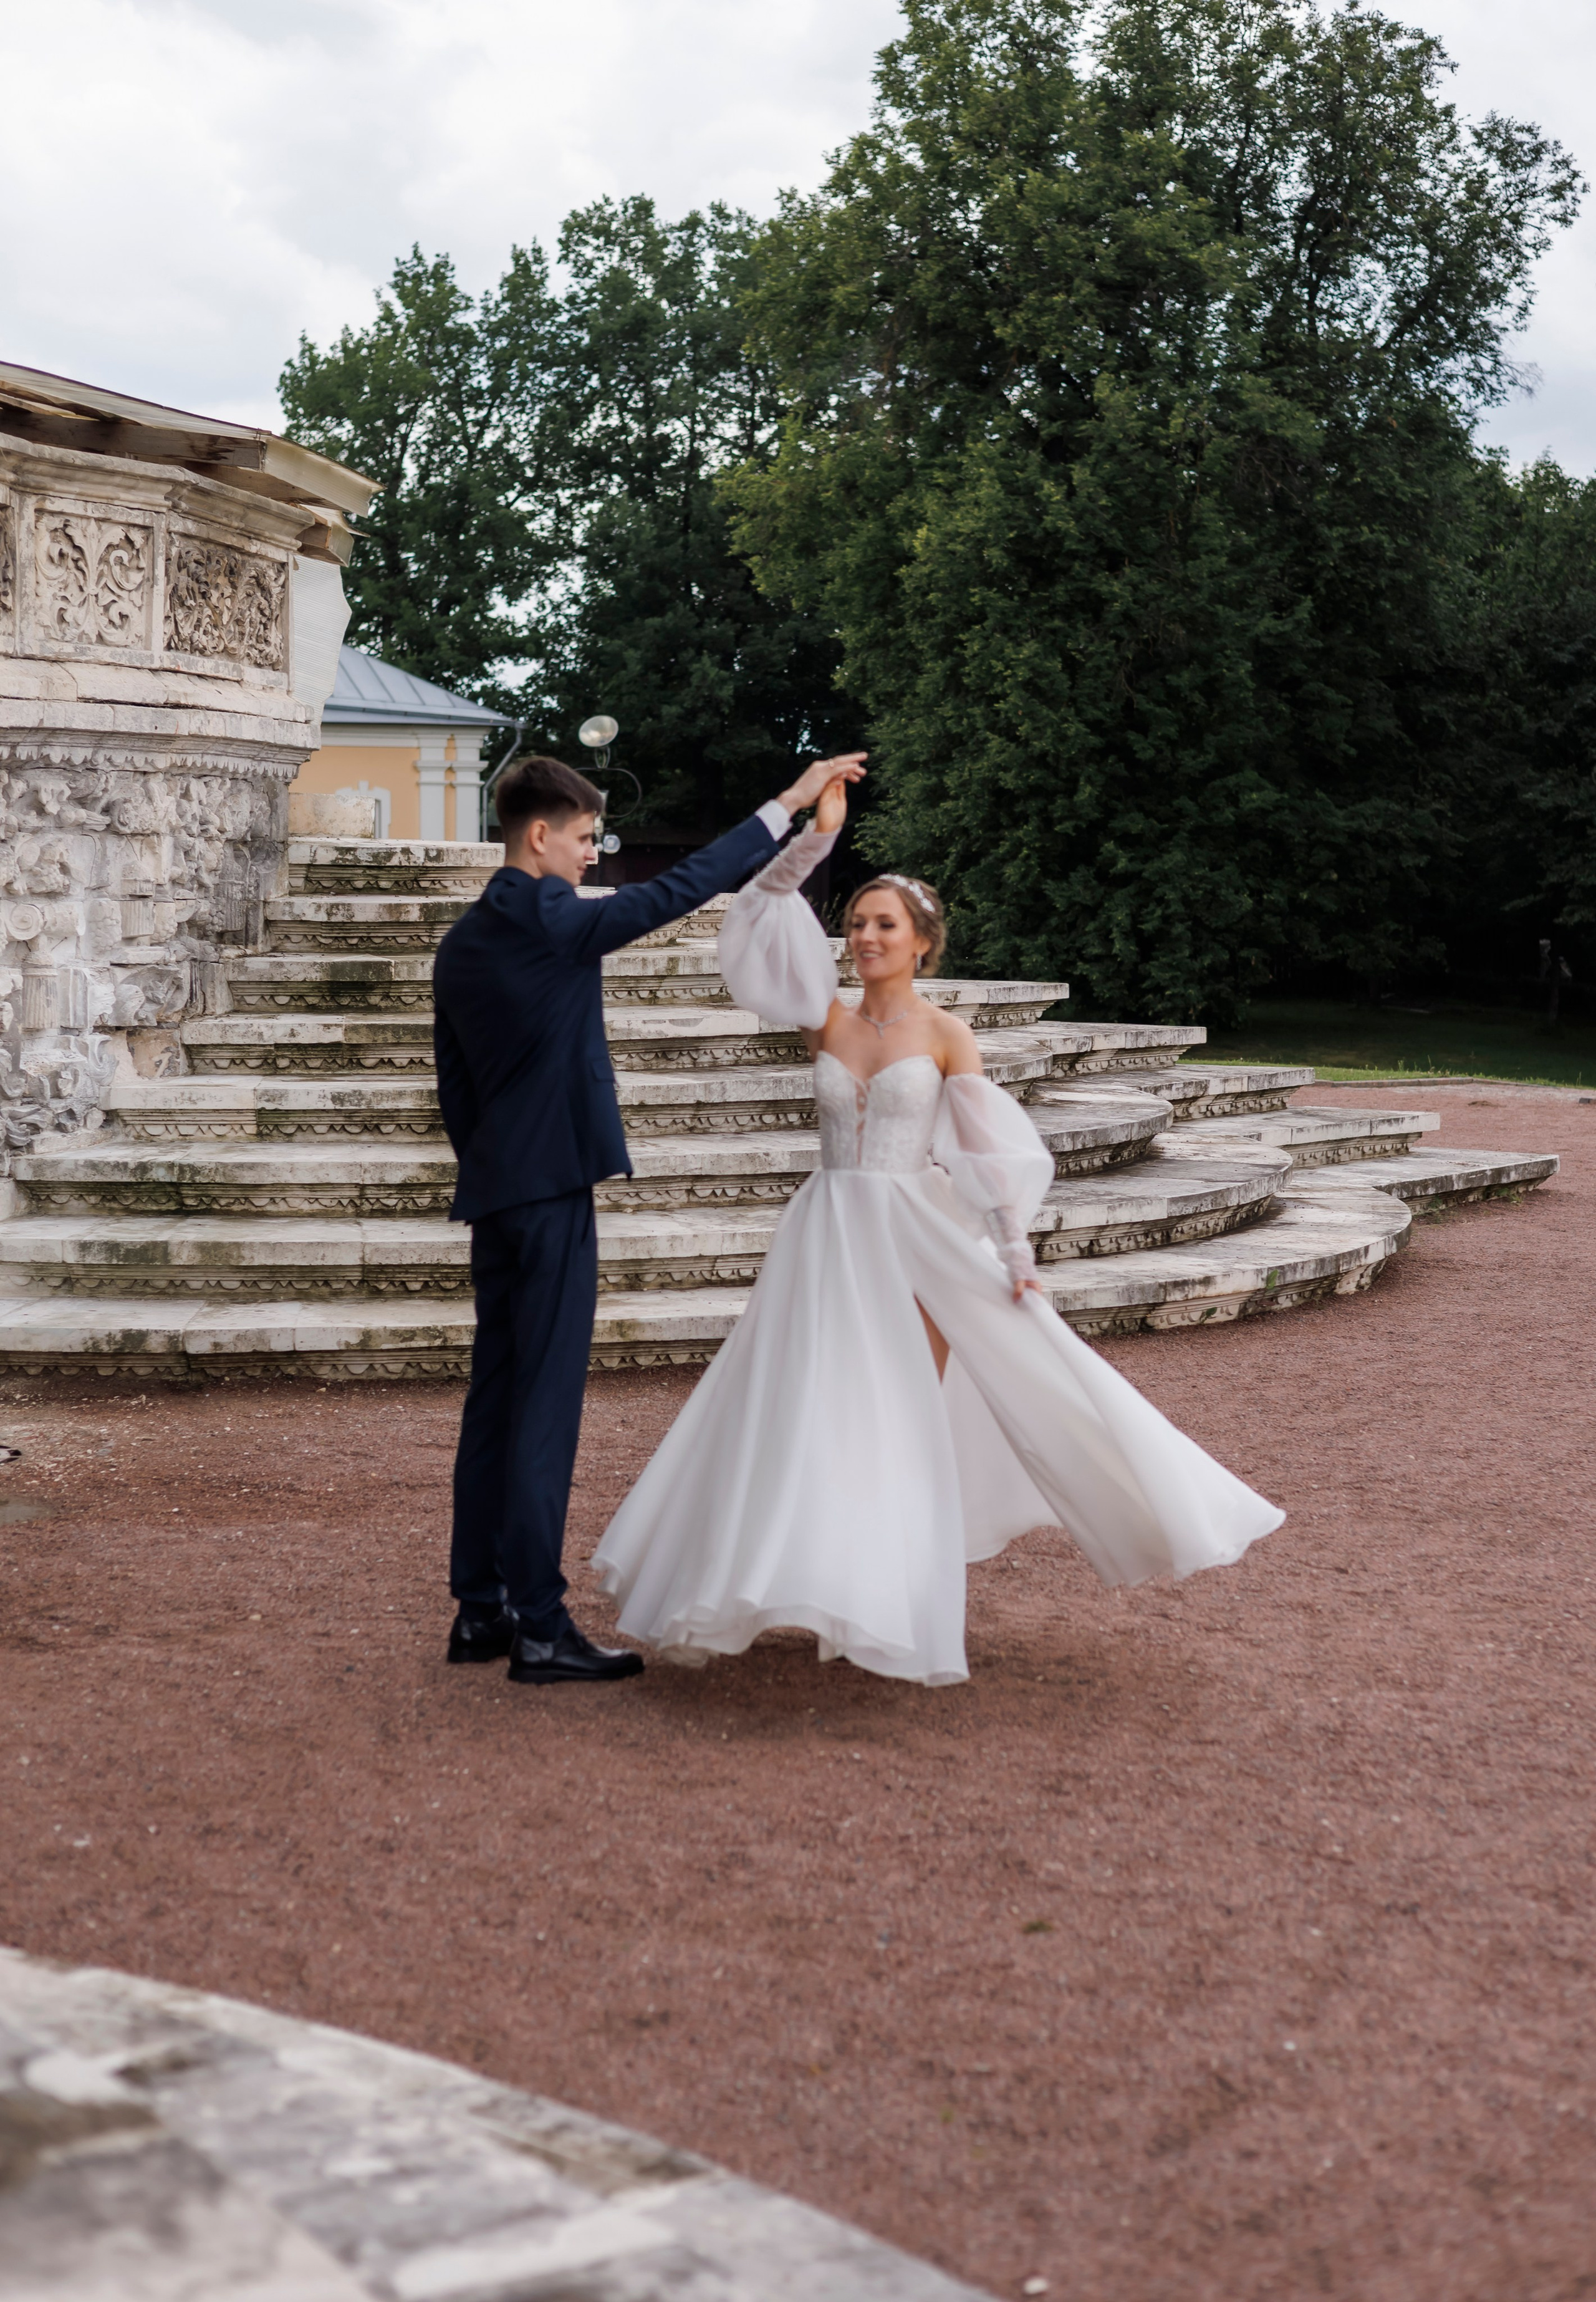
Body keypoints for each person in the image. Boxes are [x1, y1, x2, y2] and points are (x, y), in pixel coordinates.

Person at [594, 774, 1284, 1685]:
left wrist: (1014, 1252)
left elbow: (988, 1153)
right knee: (805, 1404)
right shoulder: (823, 1021)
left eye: (887, 925)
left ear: (922, 942)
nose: (867, 937)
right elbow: (759, 910)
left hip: (914, 1230)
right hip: (826, 1233)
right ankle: (795, 1579)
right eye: (859, 923)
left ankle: (888, 1604)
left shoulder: (950, 1035)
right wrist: (818, 838)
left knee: (902, 1412)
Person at [433, 748, 866, 1686]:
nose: (595, 855)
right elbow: (680, 889)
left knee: (494, 1404)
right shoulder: (552, 920)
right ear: (539, 836)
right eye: (586, 838)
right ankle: (540, 1628)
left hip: (500, 1190)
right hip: (550, 1195)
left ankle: (481, 1611)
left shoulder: (465, 940)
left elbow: (455, 1089)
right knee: (541, 1411)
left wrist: (497, 1166)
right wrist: (787, 803)